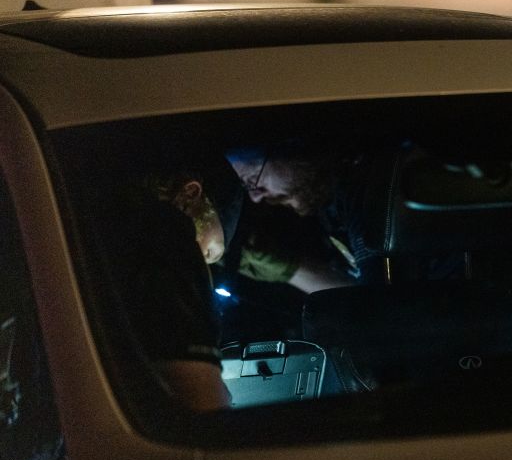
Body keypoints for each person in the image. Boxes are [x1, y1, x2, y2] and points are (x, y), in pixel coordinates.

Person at [96, 153, 243, 411]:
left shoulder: (101, 213)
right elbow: (200, 409)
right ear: (190, 193)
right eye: (208, 252)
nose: (203, 265)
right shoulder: (168, 241)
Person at [225, 145, 372, 290]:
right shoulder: (324, 207)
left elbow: (376, 296)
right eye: (247, 187)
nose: (255, 198)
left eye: (252, 179)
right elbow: (356, 288)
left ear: (288, 151)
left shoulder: (362, 191)